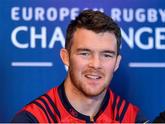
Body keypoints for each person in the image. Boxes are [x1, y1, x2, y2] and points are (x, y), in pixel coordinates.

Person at [12, 10, 147, 123]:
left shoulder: (132, 118)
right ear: (66, 57)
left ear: (117, 62)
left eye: (106, 55)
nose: (96, 64)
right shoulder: (34, 119)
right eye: (85, 53)